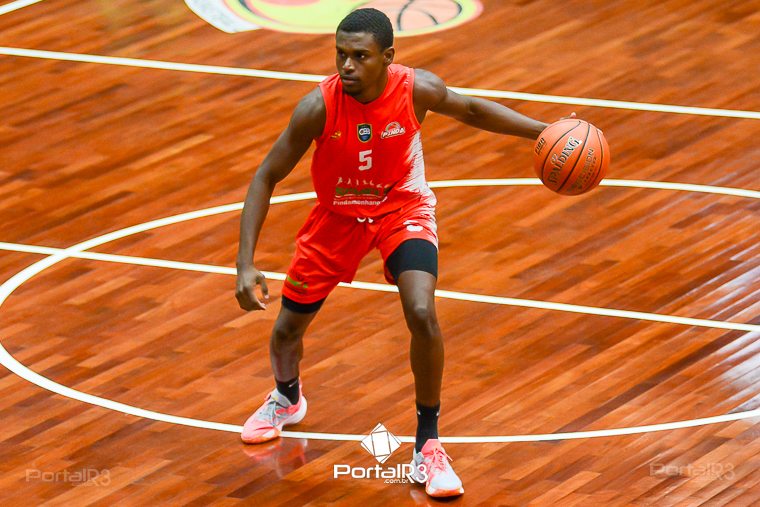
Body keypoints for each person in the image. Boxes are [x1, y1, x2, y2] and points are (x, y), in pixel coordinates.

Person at [235, 8, 551, 498]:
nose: (347, 65)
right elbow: (265, 176)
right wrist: (245, 263)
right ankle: (287, 398)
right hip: (337, 218)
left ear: (387, 57)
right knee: (285, 332)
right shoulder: (317, 107)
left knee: (421, 311)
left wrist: (543, 132)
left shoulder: (416, 89)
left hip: (402, 209)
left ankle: (428, 444)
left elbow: (472, 110)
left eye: (360, 56)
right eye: (341, 54)